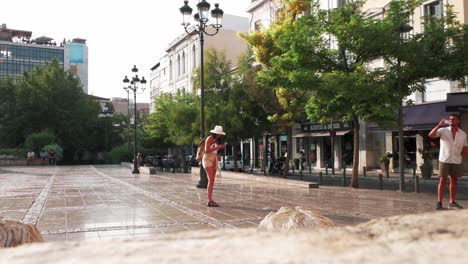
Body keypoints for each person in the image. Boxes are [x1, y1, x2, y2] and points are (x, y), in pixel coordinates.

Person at [429, 115, 468, 210]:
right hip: (444, 159)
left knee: (454, 181)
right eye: (450, 119)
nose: (451, 121)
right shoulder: (443, 130)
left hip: (456, 160)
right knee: (442, 180)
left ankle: (452, 202)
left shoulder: (463, 134)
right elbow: (431, 135)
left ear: (458, 121)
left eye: (453, 119)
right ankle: (439, 202)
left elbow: (465, 149)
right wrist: (439, 125)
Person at [202, 125, 226, 207]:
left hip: (214, 159)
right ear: (215, 133)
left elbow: (215, 151)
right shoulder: (210, 138)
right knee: (211, 180)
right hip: (207, 159)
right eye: (219, 134)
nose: (220, 135)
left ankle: (210, 199)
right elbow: (206, 150)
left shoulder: (216, 140)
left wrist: (218, 154)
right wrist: (218, 147)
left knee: (212, 180)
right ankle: (209, 200)